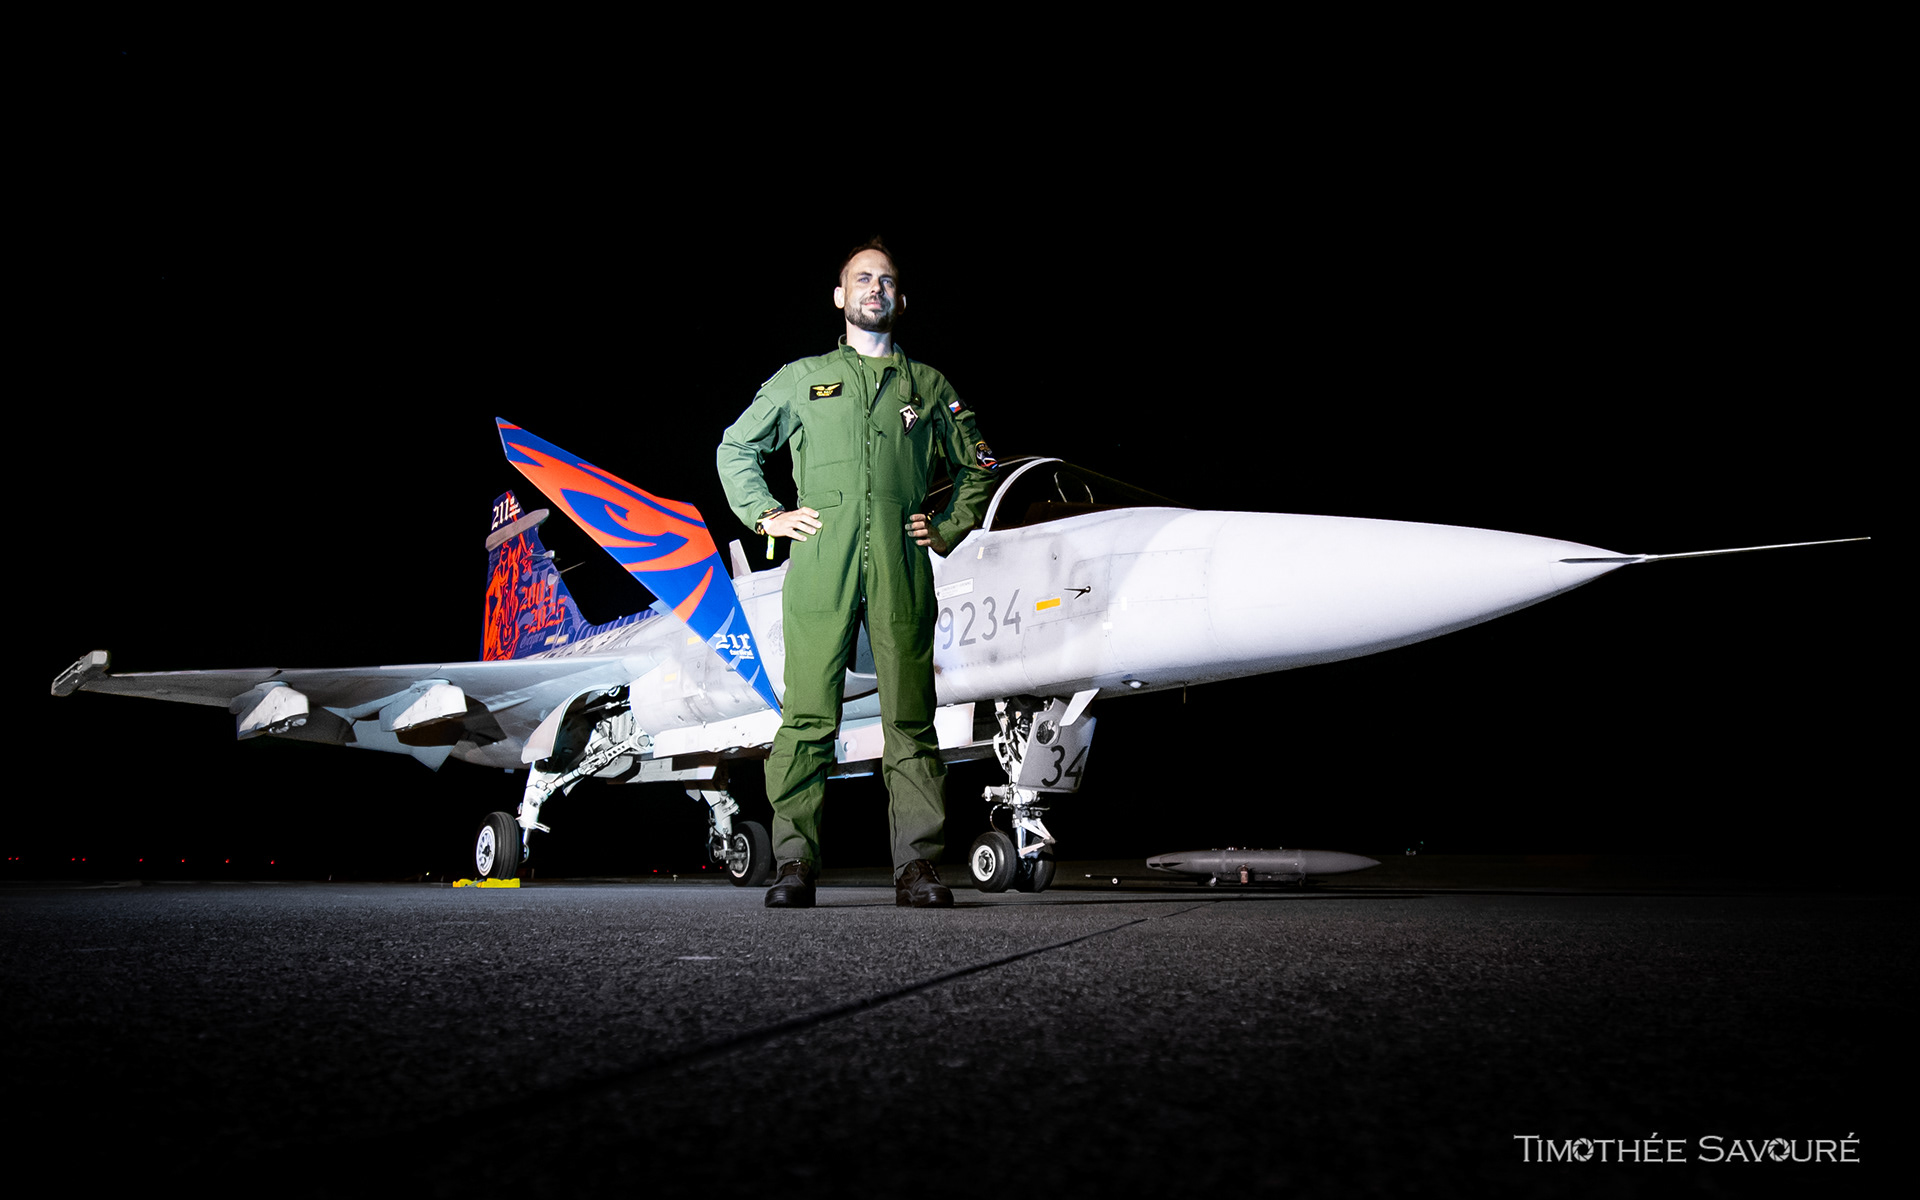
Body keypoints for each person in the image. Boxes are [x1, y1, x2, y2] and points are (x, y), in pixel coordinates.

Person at [717, 238, 996, 909]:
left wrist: (949, 525)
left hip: (902, 563)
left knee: (911, 717)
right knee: (808, 715)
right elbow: (736, 447)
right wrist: (767, 515)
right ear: (840, 296)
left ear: (901, 299)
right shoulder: (802, 378)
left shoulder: (929, 387)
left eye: (887, 280)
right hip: (821, 562)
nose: (876, 288)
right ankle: (794, 862)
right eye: (863, 278)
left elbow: (979, 465)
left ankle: (917, 866)